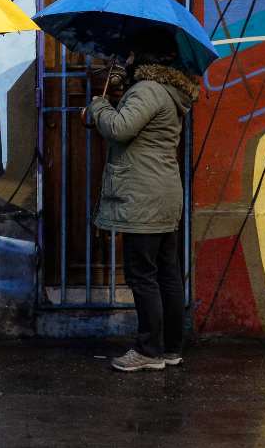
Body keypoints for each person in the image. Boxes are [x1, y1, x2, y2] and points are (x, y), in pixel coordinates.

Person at [86, 30, 201, 372]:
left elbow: (121, 128)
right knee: (167, 274)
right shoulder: (166, 91)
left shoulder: (148, 90)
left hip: (142, 196)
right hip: (162, 193)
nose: (128, 60)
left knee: (143, 276)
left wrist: (98, 106)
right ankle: (170, 348)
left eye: (133, 55)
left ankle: (148, 351)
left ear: (146, 58)